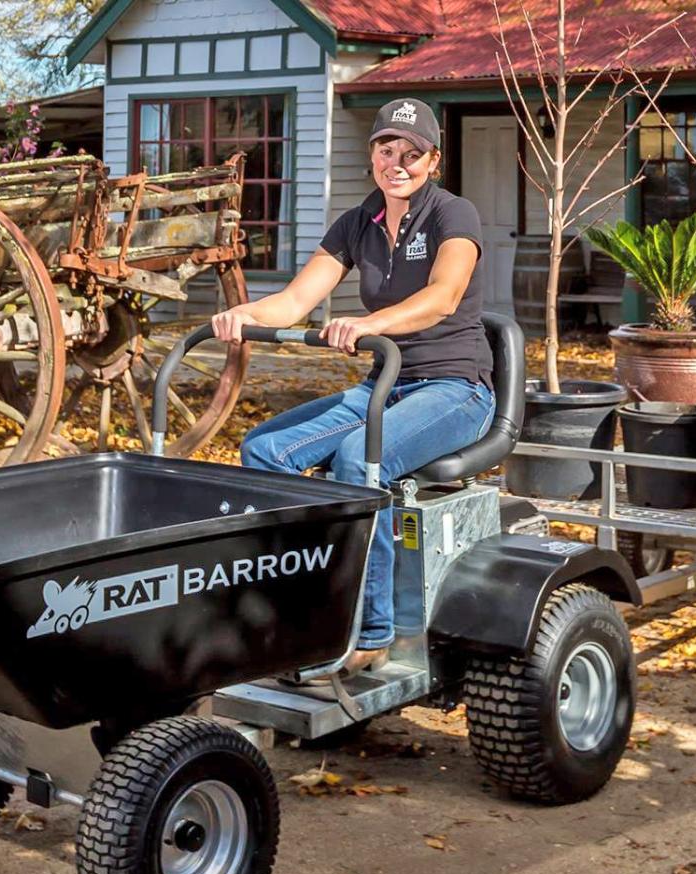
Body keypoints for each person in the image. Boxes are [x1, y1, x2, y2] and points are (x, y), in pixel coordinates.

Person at [212, 97, 495, 672]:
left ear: (433, 161)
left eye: (412, 154)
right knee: (264, 452)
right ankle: (302, 607)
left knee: (356, 461)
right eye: (387, 150)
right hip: (384, 386)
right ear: (371, 156)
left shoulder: (452, 214)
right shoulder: (356, 223)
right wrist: (244, 315)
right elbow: (295, 300)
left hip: (454, 387)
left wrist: (368, 324)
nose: (399, 163)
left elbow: (442, 296)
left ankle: (370, 632)